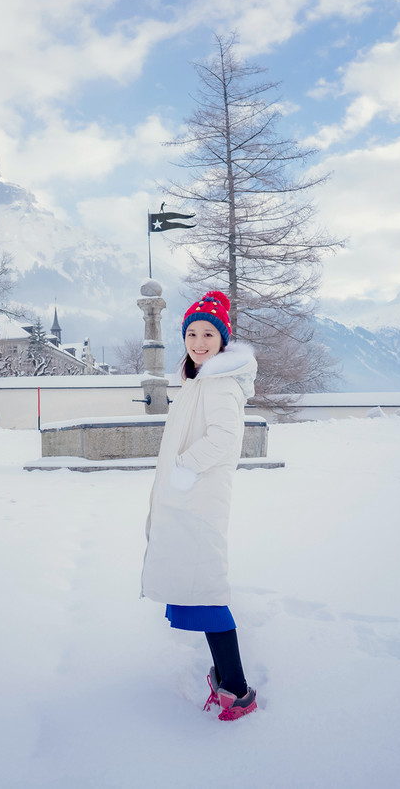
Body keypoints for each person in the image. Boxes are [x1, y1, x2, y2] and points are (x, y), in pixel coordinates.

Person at [141, 290, 259, 721]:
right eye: (192, 334)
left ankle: (238, 691)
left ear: (223, 339)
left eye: (208, 334)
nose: (198, 342)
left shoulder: (220, 382)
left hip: (199, 499)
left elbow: (225, 438)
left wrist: (184, 469)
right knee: (198, 589)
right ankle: (225, 679)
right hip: (189, 499)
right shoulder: (199, 380)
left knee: (207, 590)